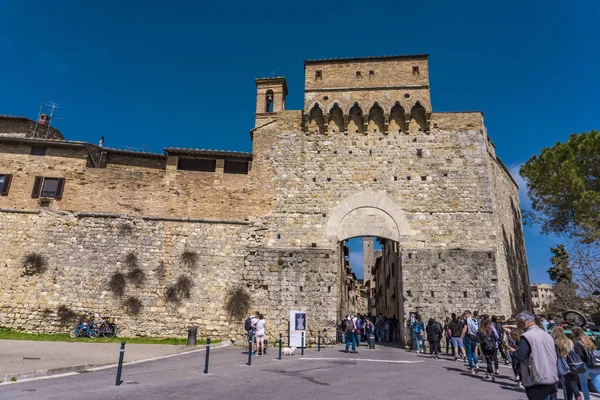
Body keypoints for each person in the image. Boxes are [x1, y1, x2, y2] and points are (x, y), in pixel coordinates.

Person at [508, 311, 558, 400]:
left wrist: (513, 352)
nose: (518, 326)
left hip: (537, 380)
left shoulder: (527, 336)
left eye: (518, 324)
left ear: (524, 322)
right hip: (552, 376)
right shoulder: (546, 335)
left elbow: (519, 356)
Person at [551, 326, 582, 400]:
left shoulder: (553, 342)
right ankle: (575, 396)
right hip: (571, 365)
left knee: (559, 385)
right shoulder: (569, 341)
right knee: (570, 384)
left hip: (559, 366)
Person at [572, 326, 600, 400]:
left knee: (584, 384)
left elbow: (580, 356)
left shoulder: (577, 343)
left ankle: (587, 399)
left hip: (585, 366)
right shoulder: (589, 341)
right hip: (595, 365)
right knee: (598, 384)